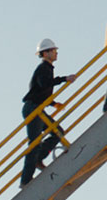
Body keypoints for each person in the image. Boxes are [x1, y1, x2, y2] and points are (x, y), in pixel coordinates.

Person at [21, 38, 78, 188]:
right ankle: (26, 180)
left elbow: (40, 91)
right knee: (34, 143)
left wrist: (53, 104)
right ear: (45, 53)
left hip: (37, 108)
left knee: (58, 131)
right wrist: (64, 79)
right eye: (53, 50)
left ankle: (39, 159)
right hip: (33, 109)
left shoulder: (47, 69)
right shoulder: (43, 69)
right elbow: (44, 84)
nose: (56, 53)